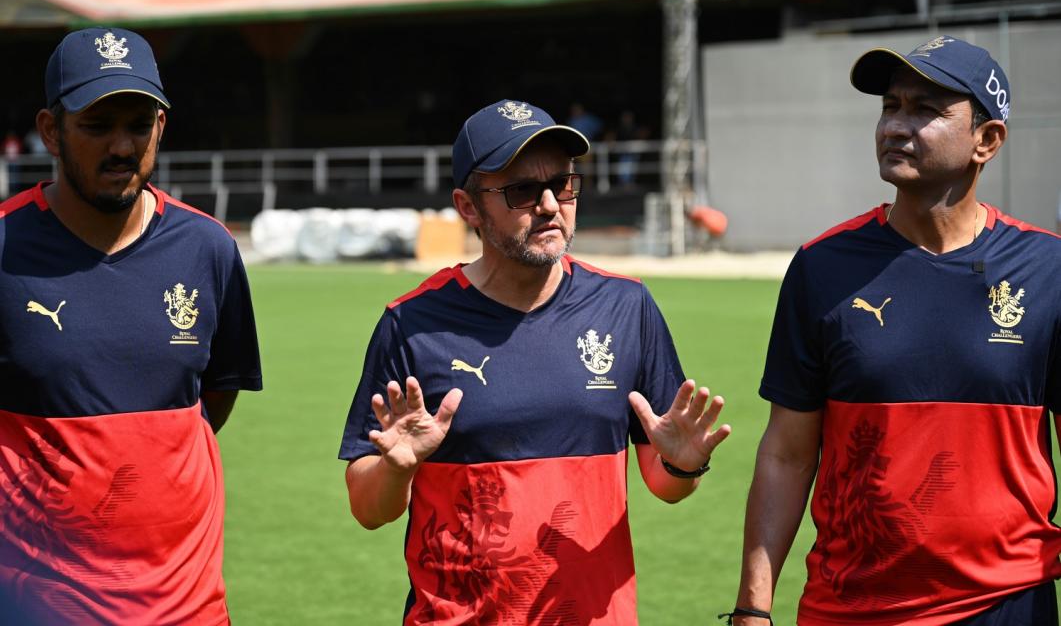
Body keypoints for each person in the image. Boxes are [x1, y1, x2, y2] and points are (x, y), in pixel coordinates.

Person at [340, 99, 731, 624]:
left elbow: (666, 485)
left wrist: (684, 463)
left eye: (564, 184)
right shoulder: (411, 323)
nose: (550, 204)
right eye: (522, 190)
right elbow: (369, 509)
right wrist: (396, 467)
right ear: (468, 206)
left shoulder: (625, 306)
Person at [727, 35, 1061, 626]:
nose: (895, 126)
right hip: (853, 607)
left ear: (987, 140)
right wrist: (752, 608)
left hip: (1006, 605)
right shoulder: (821, 265)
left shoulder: (1048, 270)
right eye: (890, 106)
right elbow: (786, 453)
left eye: (925, 110)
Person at [0, 27, 262, 623]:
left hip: (187, 607)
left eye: (139, 125)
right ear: (50, 131)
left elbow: (208, 401)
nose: (122, 146)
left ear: (160, 130)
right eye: (96, 126)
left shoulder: (208, 249)